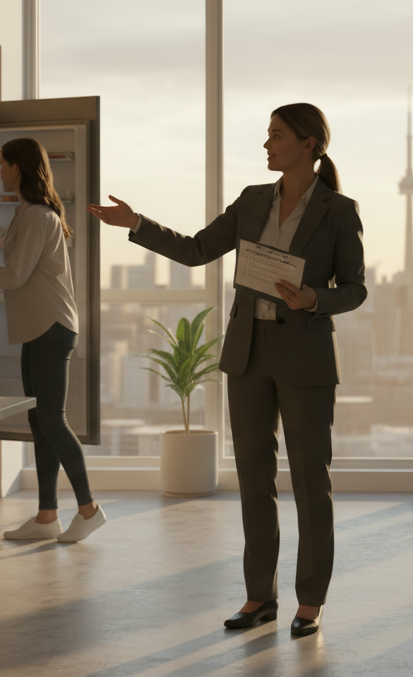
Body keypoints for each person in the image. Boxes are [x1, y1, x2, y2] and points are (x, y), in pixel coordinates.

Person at [87, 103, 366, 638]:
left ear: (308, 145)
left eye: (276, 136)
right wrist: (137, 224)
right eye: (267, 135)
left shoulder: (338, 210)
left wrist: (313, 297)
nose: (267, 145)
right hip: (248, 353)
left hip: (304, 356)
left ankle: (311, 600)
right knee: (253, 480)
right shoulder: (252, 199)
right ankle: (260, 595)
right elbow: (196, 251)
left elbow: (354, 289)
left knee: (311, 480)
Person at [0, 138, 105, 543]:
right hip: (39, 327)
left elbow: (13, 276)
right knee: (39, 419)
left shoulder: (36, 216)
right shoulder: (27, 213)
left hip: (51, 326)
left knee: (52, 419)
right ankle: (46, 516)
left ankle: (89, 510)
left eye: (3, 164)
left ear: (19, 167)